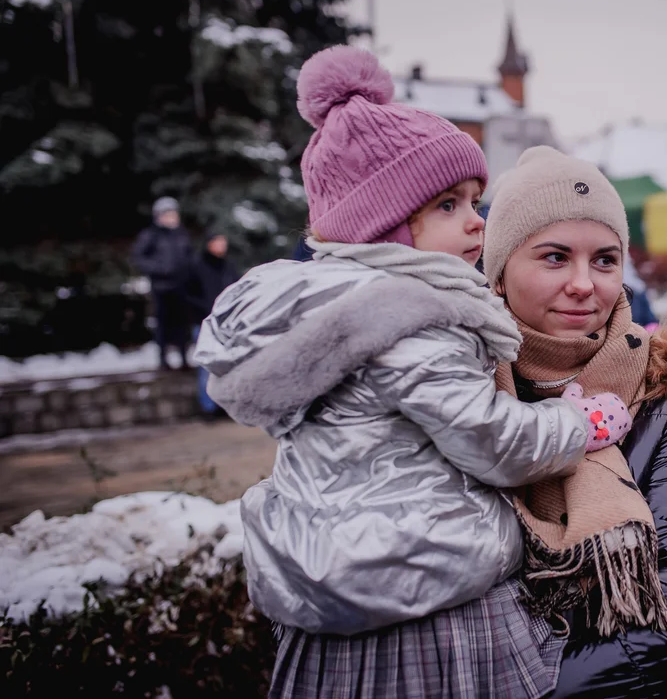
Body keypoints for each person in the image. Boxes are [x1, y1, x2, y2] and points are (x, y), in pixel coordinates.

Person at [195, 47, 630, 698]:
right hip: (427, 599)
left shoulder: (325, 309)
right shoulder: (412, 316)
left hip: (327, 602)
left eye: (475, 201)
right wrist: (578, 420)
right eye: (450, 205)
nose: (476, 220)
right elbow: (494, 442)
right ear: (389, 226)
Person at [482, 146, 667, 698]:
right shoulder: (454, 392)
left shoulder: (663, 397)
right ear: (498, 274)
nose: (583, 283)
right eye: (553, 257)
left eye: (604, 259)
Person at [131, 196, 192, 369]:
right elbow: (139, 258)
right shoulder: (151, 235)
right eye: (168, 214)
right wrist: (159, 268)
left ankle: (183, 357)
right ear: (159, 217)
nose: (172, 217)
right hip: (161, 287)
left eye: (174, 214)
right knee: (163, 323)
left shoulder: (181, 235)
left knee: (182, 323)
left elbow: (188, 256)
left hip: (180, 285)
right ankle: (163, 359)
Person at [185, 231, 239, 416]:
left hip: (227, 322)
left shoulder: (228, 266)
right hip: (204, 322)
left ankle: (225, 406)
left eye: (223, 241)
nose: (222, 245)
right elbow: (187, 294)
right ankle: (208, 407)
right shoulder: (196, 266)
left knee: (228, 365)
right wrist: (205, 309)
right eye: (218, 241)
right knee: (207, 367)